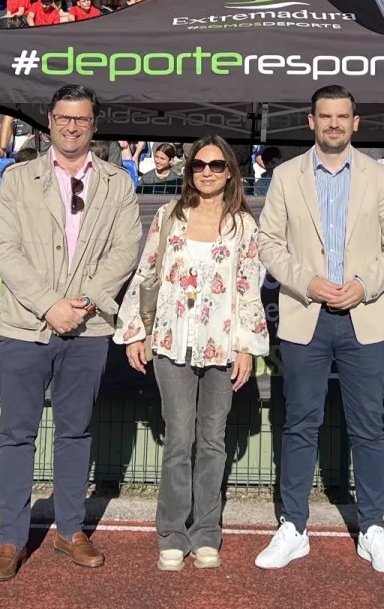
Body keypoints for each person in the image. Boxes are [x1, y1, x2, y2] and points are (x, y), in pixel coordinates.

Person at [0, 84, 143, 582]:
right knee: (17, 435)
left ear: (93, 125)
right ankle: (11, 538)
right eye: (63, 118)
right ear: (49, 122)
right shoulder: (17, 179)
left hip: (90, 327)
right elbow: (3, 249)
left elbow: (125, 251)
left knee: (75, 432)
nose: (72, 126)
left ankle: (70, 529)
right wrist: (51, 305)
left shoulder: (118, 183)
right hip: (25, 326)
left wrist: (86, 303)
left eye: (81, 119)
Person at [254, 85, 384, 574]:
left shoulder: (380, 176)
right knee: (300, 424)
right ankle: (293, 527)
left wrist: (363, 285)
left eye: (342, 116)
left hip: (364, 316)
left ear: (355, 123)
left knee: (368, 427)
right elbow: (270, 244)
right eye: (325, 116)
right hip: (305, 315)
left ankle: (373, 528)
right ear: (311, 122)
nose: (334, 123)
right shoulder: (286, 176)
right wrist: (308, 283)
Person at [115, 137, 269, 570]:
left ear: (230, 172)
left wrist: (246, 347)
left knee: (214, 441)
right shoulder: (168, 217)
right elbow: (147, 271)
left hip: (222, 346)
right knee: (179, 439)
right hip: (170, 342)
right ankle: (171, 532)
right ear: (188, 171)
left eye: (217, 165)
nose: (207, 171)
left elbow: (247, 289)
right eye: (199, 165)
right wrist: (135, 333)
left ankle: (206, 532)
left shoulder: (244, 226)